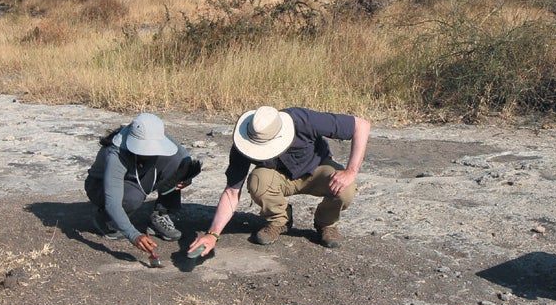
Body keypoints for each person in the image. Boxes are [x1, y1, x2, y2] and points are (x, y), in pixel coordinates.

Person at [187, 105, 370, 256]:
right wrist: (212, 234)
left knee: (346, 188)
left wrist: (350, 171)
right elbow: (232, 192)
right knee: (258, 181)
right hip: (278, 176)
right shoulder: (245, 138)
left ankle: (326, 224)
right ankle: (279, 220)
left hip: (316, 170)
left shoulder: (303, 119)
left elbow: (361, 125)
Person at [84, 113, 200, 258]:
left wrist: (185, 177)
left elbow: (184, 158)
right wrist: (133, 235)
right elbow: (113, 202)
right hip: (99, 186)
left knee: (177, 164)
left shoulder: (155, 134)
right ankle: (107, 220)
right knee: (133, 197)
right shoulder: (115, 154)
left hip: (136, 174)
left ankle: (160, 215)